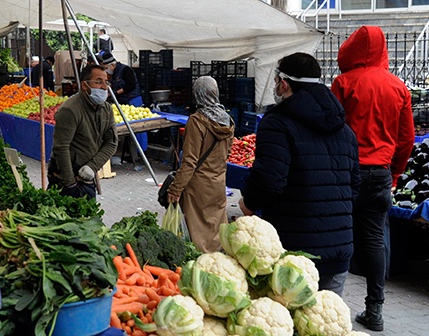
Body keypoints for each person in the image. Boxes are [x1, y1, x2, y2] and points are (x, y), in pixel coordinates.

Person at [238, 52, 360, 296]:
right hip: (339, 249)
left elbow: (270, 181)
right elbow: (355, 187)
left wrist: (247, 203)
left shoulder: (277, 124)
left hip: (294, 250)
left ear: (284, 84)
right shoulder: (345, 130)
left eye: (275, 82)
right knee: (323, 327)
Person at [330, 26, 415, 332]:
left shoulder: (343, 82)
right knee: (375, 239)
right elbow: (407, 139)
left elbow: (330, 127)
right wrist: (394, 173)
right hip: (380, 173)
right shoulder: (398, 87)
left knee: (337, 234)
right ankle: (375, 309)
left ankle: (330, 304)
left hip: (346, 173)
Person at [166, 76, 234, 253]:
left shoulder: (196, 121)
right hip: (218, 183)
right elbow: (227, 153)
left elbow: (189, 162)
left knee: (198, 236)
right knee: (216, 230)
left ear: (198, 94)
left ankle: (201, 269)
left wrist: (175, 189)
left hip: (198, 188)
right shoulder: (227, 120)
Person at [47, 64, 118, 199]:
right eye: (98, 82)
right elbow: (61, 147)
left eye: (106, 82)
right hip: (64, 176)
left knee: (88, 217)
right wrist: (69, 184)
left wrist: (92, 166)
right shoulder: (70, 110)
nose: (104, 87)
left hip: (87, 175)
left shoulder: (106, 109)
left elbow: (112, 142)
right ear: (85, 85)